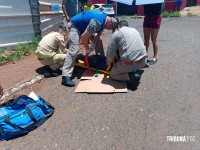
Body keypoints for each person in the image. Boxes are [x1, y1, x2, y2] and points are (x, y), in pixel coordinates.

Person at [61, 10, 118, 87]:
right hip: (75, 25)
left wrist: (94, 44)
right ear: (110, 24)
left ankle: (102, 61)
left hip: (85, 26)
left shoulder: (105, 19)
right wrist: (88, 49)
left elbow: (98, 35)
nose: (109, 30)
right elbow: (84, 38)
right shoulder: (97, 22)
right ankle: (65, 76)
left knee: (99, 41)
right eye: (110, 28)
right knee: (74, 50)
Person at [106, 20, 147, 86]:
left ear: (119, 27)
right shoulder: (135, 30)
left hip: (129, 64)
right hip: (142, 62)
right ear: (127, 26)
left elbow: (110, 53)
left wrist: (108, 63)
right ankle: (132, 70)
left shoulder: (117, 33)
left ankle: (130, 76)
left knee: (113, 74)